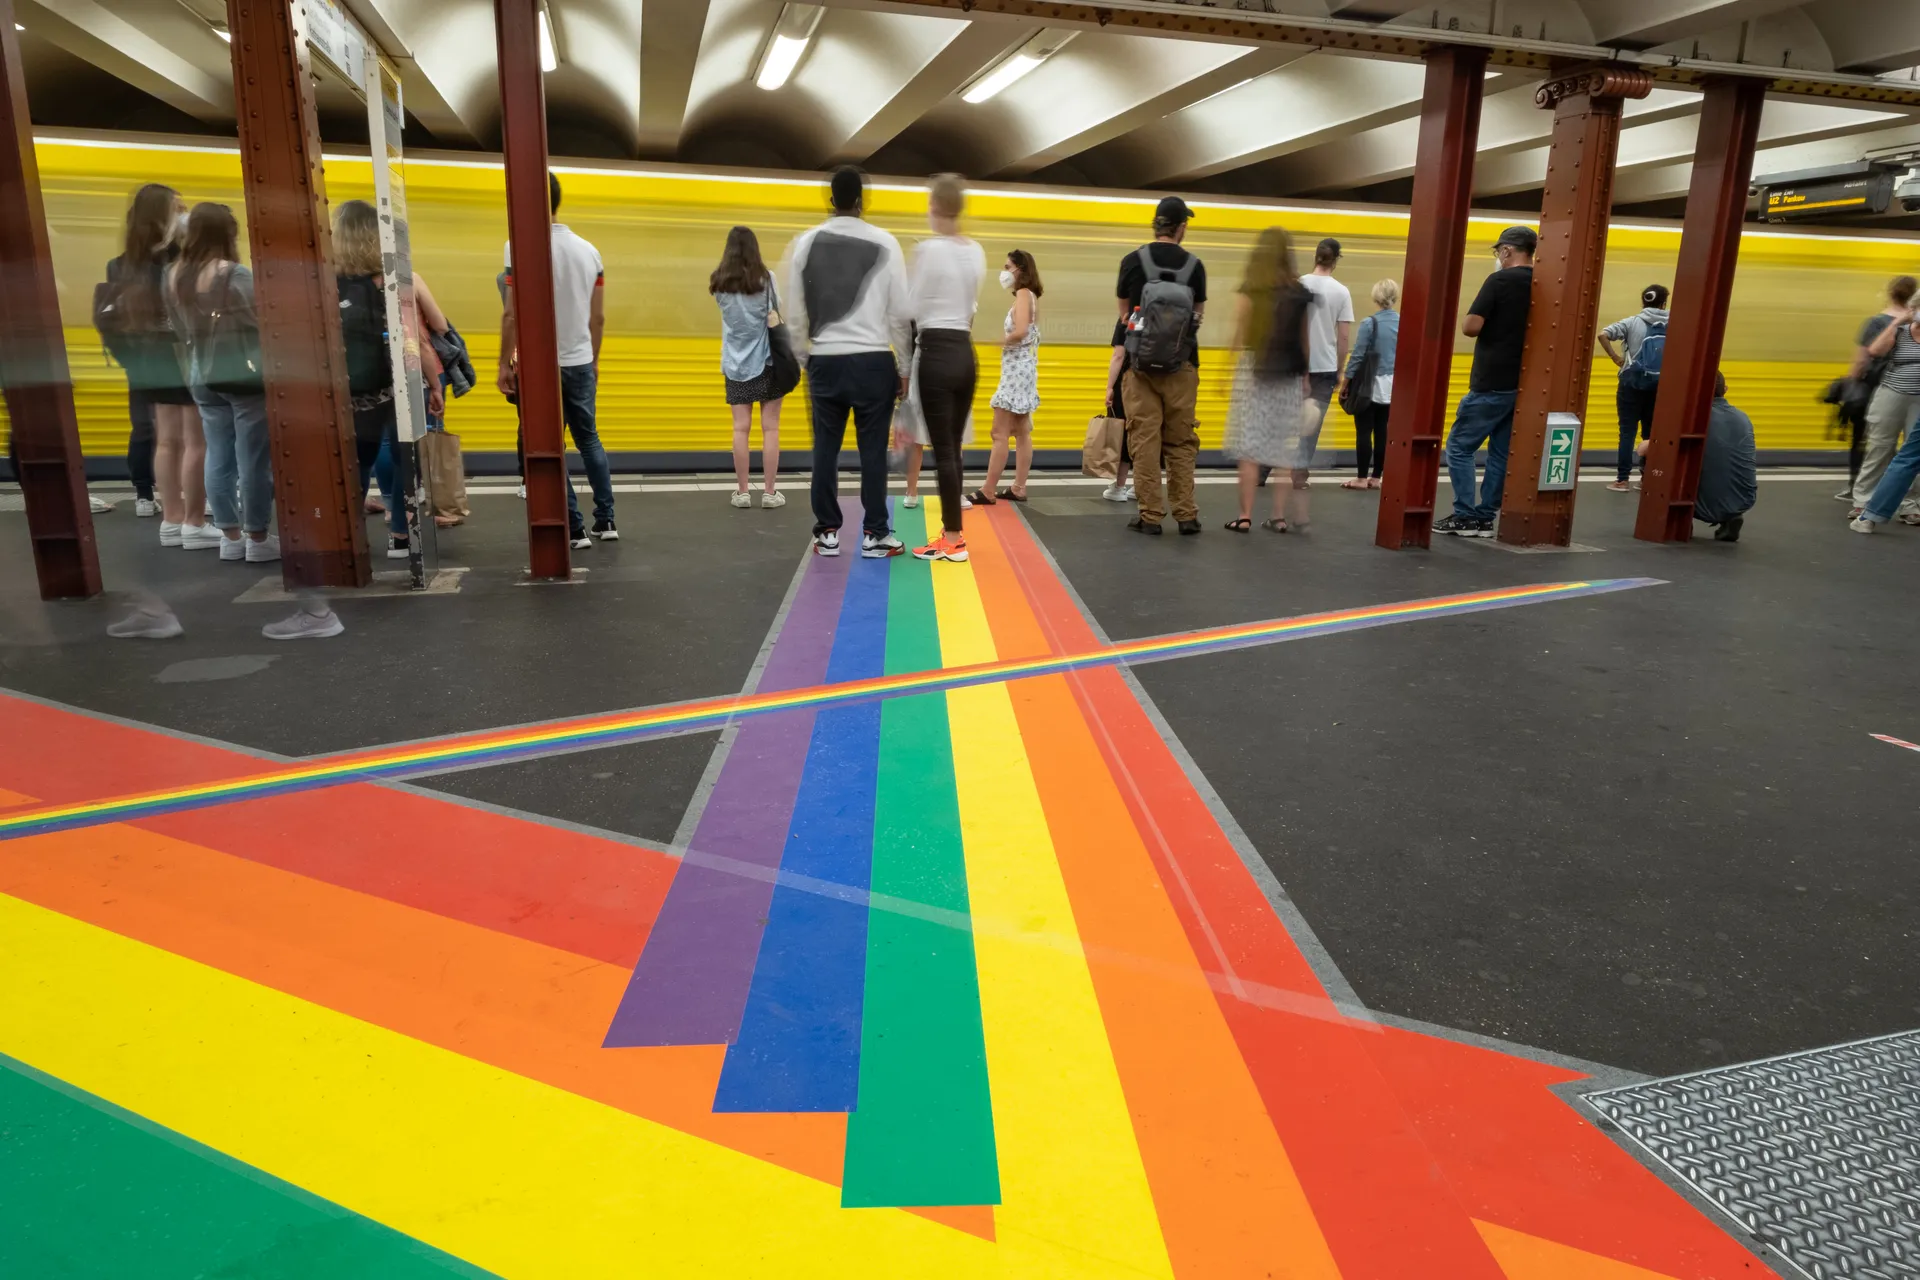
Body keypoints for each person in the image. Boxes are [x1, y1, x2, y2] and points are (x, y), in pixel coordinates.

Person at [783, 165, 912, 558]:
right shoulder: (887, 244)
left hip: (825, 360)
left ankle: (827, 532)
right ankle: (875, 534)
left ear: (830, 200)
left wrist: (808, 357)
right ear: (861, 201)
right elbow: (900, 315)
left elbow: (794, 315)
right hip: (874, 361)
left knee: (826, 448)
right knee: (872, 450)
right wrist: (904, 368)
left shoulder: (804, 244)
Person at [499, 173, 615, 547]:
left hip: (540, 367)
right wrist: (593, 359)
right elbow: (597, 318)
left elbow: (511, 315)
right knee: (589, 439)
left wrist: (503, 364)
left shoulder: (516, 247)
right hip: (580, 361)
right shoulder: (590, 251)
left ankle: (575, 528)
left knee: (550, 444)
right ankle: (607, 520)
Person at [165, 202, 278, 564]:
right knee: (253, 459)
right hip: (240, 373)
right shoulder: (235, 274)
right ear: (228, 234)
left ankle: (230, 537)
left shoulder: (173, 275)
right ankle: (257, 538)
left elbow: (178, 331)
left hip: (199, 373)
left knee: (218, 453)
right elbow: (260, 324)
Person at [335, 201, 446, 559]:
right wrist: (435, 382)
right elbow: (419, 340)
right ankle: (400, 535)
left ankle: (349, 537)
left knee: (357, 461)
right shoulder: (394, 278)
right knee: (405, 457)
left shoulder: (328, 281)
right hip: (397, 384)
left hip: (351, 389)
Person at [102, 183, 210, 548]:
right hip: (183, 354)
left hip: (148, 358)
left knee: (166, 440)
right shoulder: (181, 261)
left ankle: (171, 519)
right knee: (197, 441)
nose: (185, 212)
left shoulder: (121, 263)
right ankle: (194, 522)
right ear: (162, 215)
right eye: (178, 207)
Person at [1434, 225, 1535, 537]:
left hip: (1490, 380)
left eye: (1498, 251)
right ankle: (1485, 517)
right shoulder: (1543, 283)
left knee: (1460, 447)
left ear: (1506, 250)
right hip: (1521, 382)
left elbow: (1471, 326)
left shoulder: (1500, 280)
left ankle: (1464, 515)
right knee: (1501, 452)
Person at [1117, 195, 1207, 535]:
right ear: (1181, 227)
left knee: (1145, 441)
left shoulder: (1132, 261)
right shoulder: (1195, 265)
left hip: (1139, 366)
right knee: (1181, 441)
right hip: (1182, 365)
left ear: (1156, 224)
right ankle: (1186, 515)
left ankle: (1150, 516)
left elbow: (1124, 316)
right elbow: (1198, 316)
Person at [906, 174, 984, 563]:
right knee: (952, 447)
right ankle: (953, 535)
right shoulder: (976, 251)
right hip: (965, 353)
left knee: (943, 450)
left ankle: (952, 538)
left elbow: (911, 305)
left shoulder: (928, 251)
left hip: (935, 352)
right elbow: (970, 307)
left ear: (935, 207)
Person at [1223, 227, 1313, 533]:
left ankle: (1245, 515)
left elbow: (1239, 333)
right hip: (1288, 375)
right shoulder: (1299, 291)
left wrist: (1224, 371)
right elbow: (1304, 337)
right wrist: (1306, 376)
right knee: (1282, 449)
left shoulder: (1252, 287)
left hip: (1254, 371)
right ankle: (1278, 517)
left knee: (1249, 449)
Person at [710, 225, 786, 509]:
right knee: (771, 428)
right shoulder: (767, 279)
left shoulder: (719, 282)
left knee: (740, 428)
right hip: (767, 360)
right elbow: (777, 313)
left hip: (735, 363)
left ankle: (742, 492)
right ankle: (769, 492)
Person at [1639, 370, 1754, 541]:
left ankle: (1678, 519)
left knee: (1651, 456)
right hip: (1742, 500)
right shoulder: (1743, 418)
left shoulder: (1690, 418)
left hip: (1702, 504)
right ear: (1726, 389)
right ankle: (1730, 518)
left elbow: (1644, 450)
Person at [972, 249, 1041, 507]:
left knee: (999, 432)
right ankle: (1018, 487)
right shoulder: (1030, 296)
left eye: (1007, 266)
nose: (1004, 272)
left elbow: (1021, 331)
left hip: (1015, 372)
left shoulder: (1023, 294)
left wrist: (999, 341)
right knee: (1022, 431)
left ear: (1020, 270)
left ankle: (988, 490)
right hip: (1024, 370)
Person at [1846, 276, 1920, 514]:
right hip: (1891, 393)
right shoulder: (1900, 329)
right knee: (1880, 447)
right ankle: (1863, 502)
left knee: (1914, 454)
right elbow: (1875, 350)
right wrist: (1899, 321)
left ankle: (1911, 505)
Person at [1598, 283, 1670, 491]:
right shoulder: (1673, 322)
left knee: (1627, 432)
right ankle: (1646, 478)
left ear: (1643, 301)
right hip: (1658, 385)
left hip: (1631, 383)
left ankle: (1622, 480)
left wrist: (1615, 357)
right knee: (1651, 433)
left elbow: (1603, 334)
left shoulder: (1632, 322)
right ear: (1664, 303)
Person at [1342, 277, 1398, 490]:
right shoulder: (1404, 322)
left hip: (1369, 384)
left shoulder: (1370, 323)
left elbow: (1357, 356)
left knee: (1364, 431)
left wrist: (1346, 381)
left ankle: (1361, 478)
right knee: (1383, 431)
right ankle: (1376, 478)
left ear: (1376, 297)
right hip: (1392, 385)